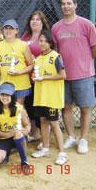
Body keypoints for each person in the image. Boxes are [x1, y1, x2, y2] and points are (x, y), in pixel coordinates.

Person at [51, 0, 96, 154]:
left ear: (75, 5)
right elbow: (56, 51)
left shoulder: (86, 24)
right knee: (66, 107)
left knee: (85, 108)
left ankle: (83, 139)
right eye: (63, 4)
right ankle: (71, 136)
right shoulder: (56, 27)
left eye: (69, 3)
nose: (66, 6)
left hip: (84, 74)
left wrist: (85, 61)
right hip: (63, 75)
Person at [31, 31, 68, 165]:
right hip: (41, 97)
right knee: (43, 122)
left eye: (44, 41)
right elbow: (37, 76)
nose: (41, 43)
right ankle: (45, 147)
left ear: (50, 43)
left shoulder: (56, 56)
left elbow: (63, 75)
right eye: (40, 41)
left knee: (54, 123)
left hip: (52, 98)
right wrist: (35, 78)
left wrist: (44, 77)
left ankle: (62, 153)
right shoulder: (38, 58)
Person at [21, 11, 51, 142]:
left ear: (42, 22)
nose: (35, 21)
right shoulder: (25, 36)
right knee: (30, 107)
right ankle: (35, 133)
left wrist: (36, 60)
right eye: (32, 19)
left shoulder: (45, 37)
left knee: (42, 109)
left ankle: (46, 138)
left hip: (41, 78)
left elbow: (50, 53)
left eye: (38, 19)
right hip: (26, 78)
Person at [0, 19, 33, 105]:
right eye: (6, 28)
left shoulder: (23, 45)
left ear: (16, 30)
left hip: (21, 84)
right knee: (5, 110)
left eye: (11, 28)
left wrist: (18, 72)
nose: (8, 31)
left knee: (19, 110)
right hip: (5, 84)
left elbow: (31, 65)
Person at [0, 82, 31, 167]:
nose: (4, 97)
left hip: (18, 136)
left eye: (7, 95)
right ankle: (7, 152)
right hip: (3, 137)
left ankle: (24, 161)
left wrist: (25, 131)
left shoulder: (19, 108)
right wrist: (9, 134)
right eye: (2, 94)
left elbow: (27, 125)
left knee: (17, 133)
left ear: (12, 96)